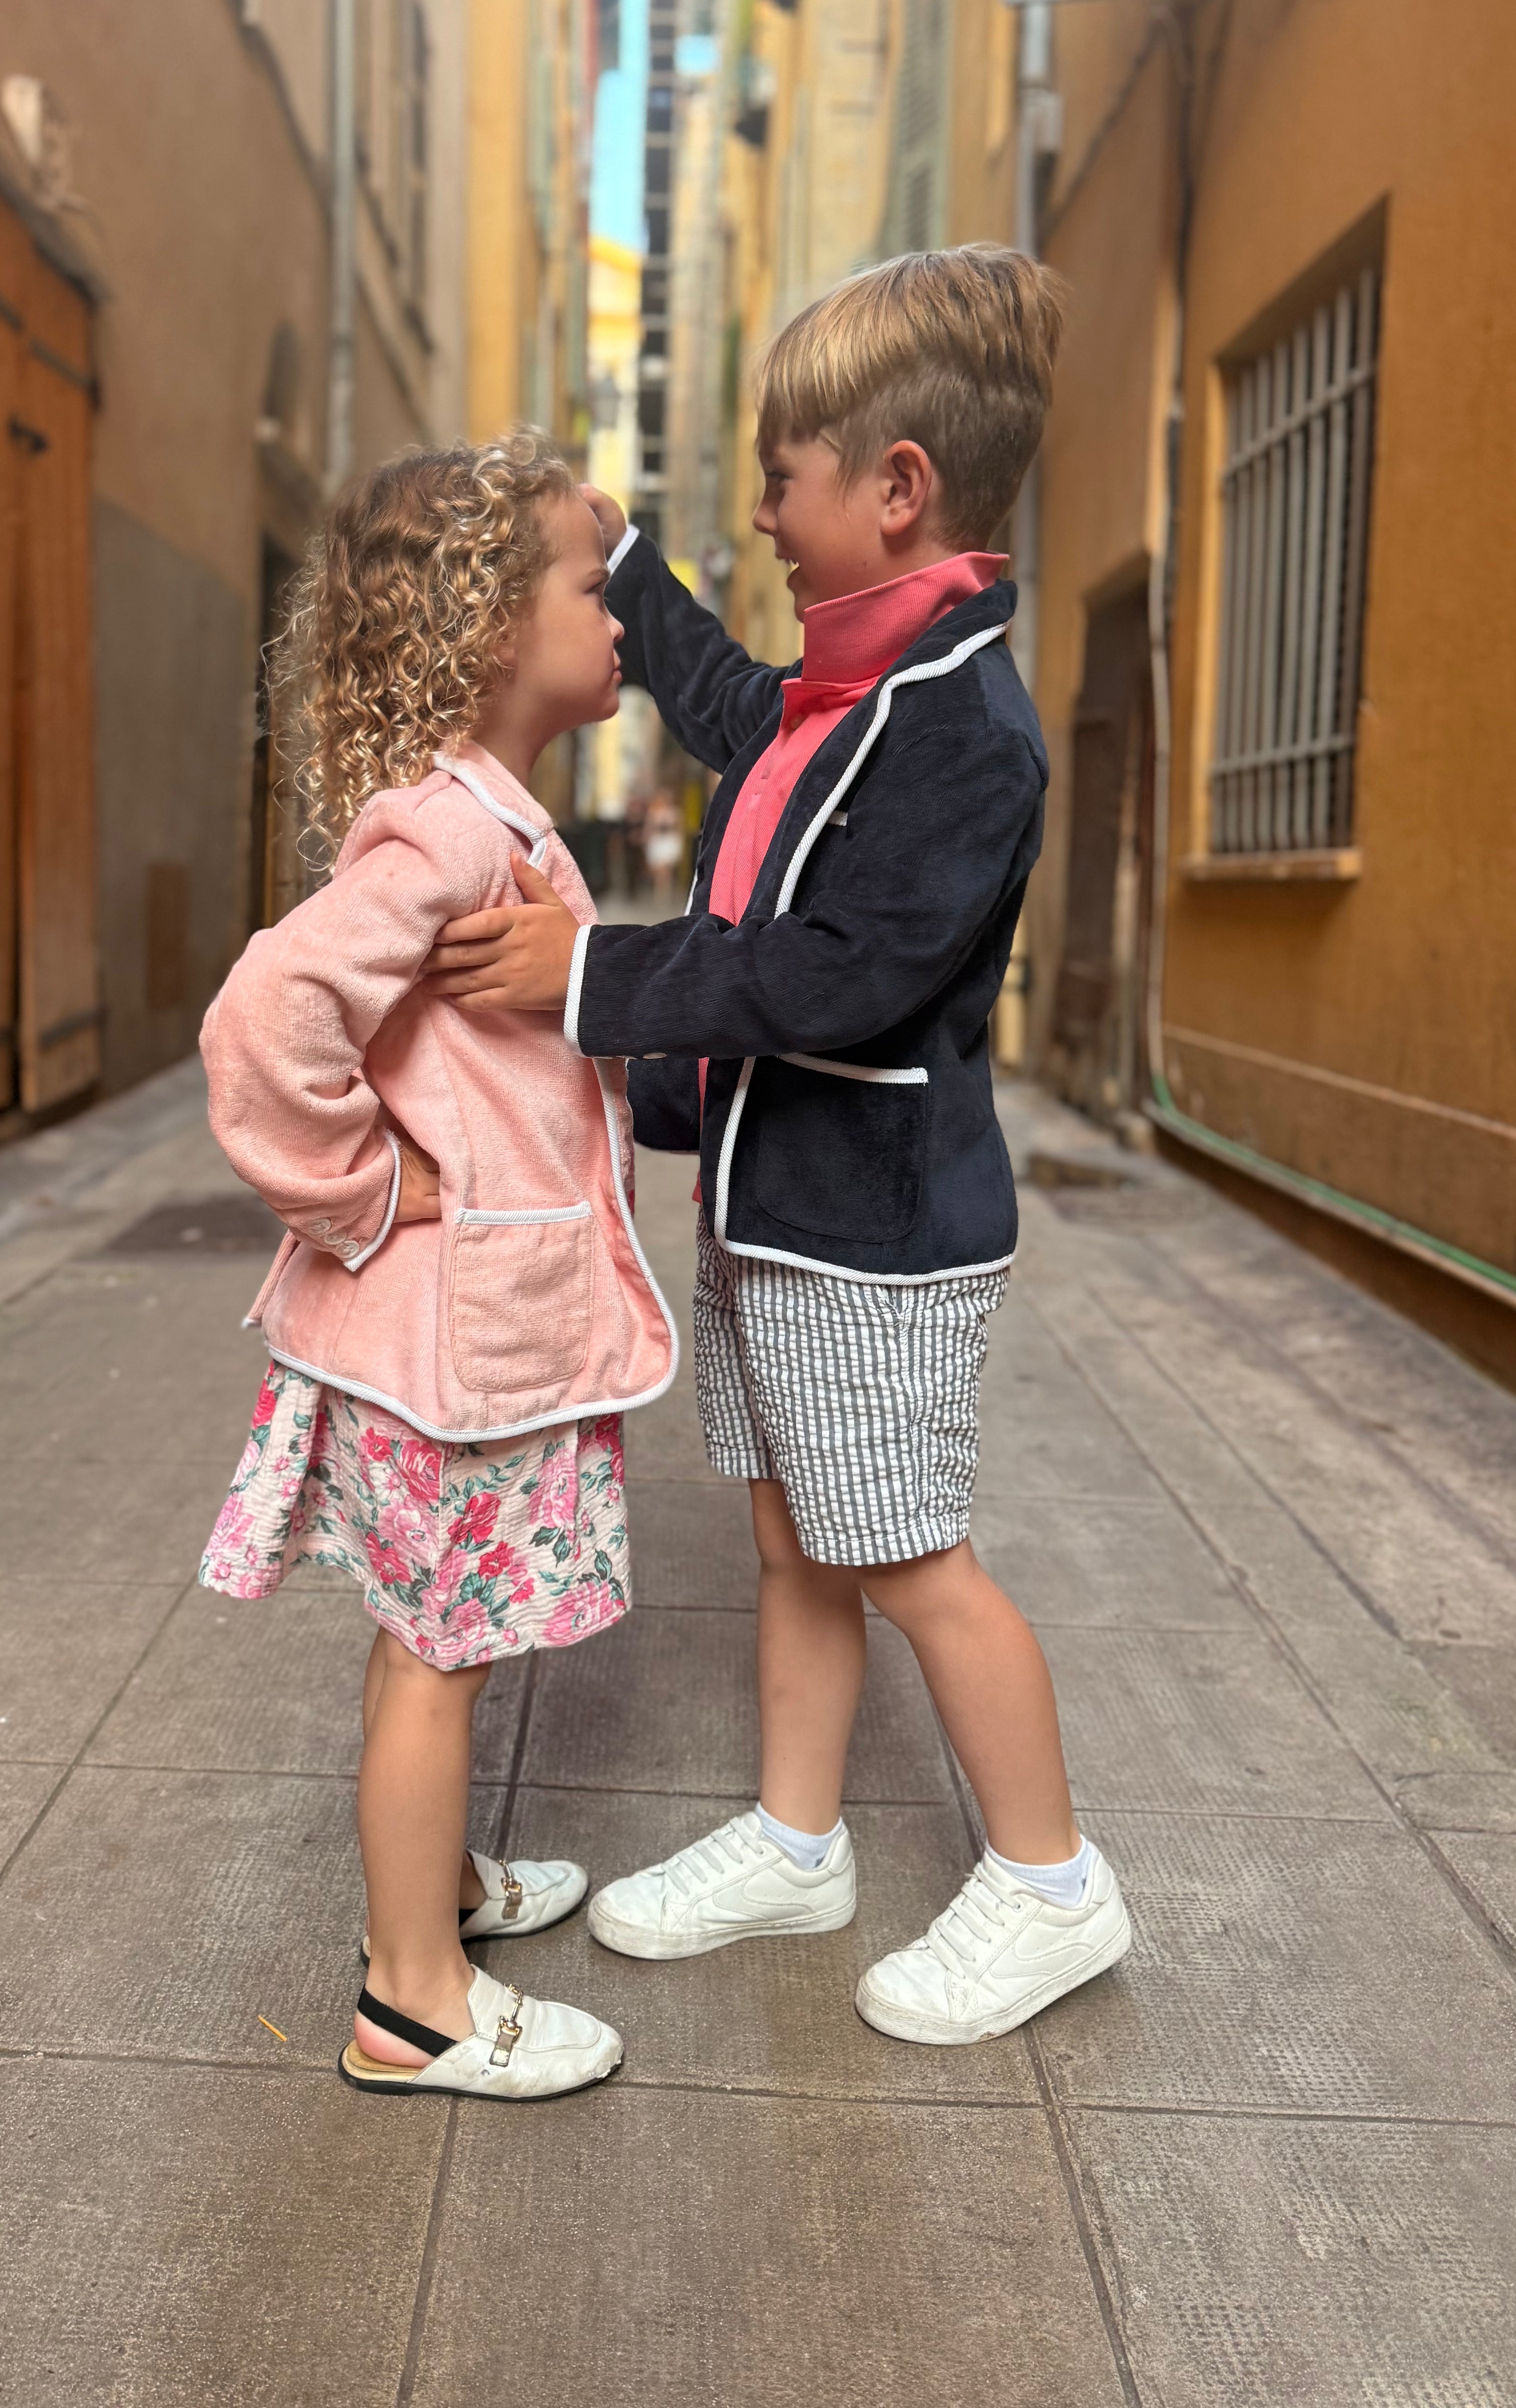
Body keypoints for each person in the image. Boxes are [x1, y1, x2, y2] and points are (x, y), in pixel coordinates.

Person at [422, 249, 1131, 2046]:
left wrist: (589, 978)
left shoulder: (960, 729)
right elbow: (735, 713)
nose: (761, 517)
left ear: (896, 488)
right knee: (799, 1544)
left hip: (875, 1230)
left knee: (907, 1559)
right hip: (776, 1218)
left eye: (783, 481)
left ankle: (1050, 1882)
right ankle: (798, 1840)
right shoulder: (843, 694)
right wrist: (624, 564)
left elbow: (841, 972)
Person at [197, 434, 676, 2100]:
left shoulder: (490, 820)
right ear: (485, 623)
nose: (619, 617)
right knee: (437, 1651)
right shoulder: (451, 838)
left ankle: (441, 1893)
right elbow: (265, 1016)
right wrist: (367, 1182)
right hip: (443, 1342)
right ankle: (415, 2002)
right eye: (586, 585)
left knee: (429, 1632)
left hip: (448, 1336)